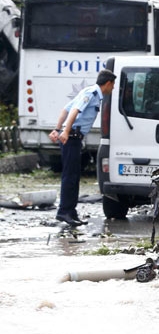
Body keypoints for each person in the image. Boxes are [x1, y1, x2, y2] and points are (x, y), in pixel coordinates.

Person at [49, 69, 116, 226]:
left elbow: (65, 109)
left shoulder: (89, 92)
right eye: (112, 85)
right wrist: (64, 131)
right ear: (107, 83)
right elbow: (74, 111)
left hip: (73, 137)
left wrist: (57, 129)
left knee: (74, 175)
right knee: (70, 176)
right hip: (71, 137)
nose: (112, 89)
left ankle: (71, 211)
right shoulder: (91, 94)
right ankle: (64, 212)